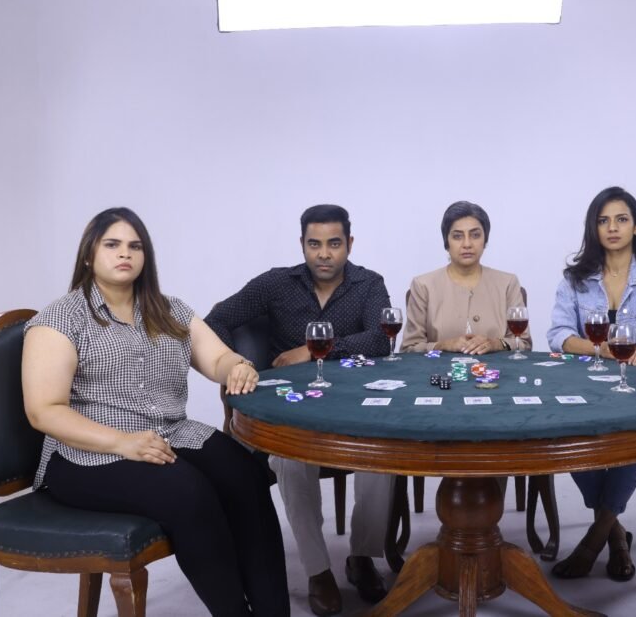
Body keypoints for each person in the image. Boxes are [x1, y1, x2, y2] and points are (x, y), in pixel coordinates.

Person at [22, 208, 289, 617]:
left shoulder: (169, 310)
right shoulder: (60, 319)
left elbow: (217, 358)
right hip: (87, 452)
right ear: (89, 255)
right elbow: (43, 411)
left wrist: (237, 366)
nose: (124, 254)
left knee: (246, 474)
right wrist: (122, 442)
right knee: (188, 492)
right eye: (112, 244)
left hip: (169, 432)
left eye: (135, 246)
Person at [205, 204, 393, 617]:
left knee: (384, 458)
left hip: (354, 408)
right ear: (302, 244)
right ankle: (318, 571)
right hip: (291, 412)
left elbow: (381, 340)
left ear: (349, 244)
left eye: (334, 243)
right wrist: (237, 364)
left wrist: (313, 350)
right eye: (314, 244)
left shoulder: (369, 284)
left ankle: (362, 557)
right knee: (289, 461)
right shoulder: (276, 284)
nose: (324, 254)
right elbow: (215, 320)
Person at [547, 186, 636, 582]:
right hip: (585, 387)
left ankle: (598, 537)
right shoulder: (575, 280)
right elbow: (558, 336)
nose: (612, 228)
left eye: (621, 219)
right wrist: (600, 349)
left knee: (634, 434)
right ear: (594, 228)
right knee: (568, 433)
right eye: (603, 220)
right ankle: (615, 531)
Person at [401, 200, 531, 355]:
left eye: (475, 235)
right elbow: (409, 348)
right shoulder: (423, 285)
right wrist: (442, 345)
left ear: (485, 240)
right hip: (439, 368)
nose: (467, 244)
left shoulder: (507, 283)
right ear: (446, 242)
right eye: (457, 236)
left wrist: (496, 343)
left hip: (497, 369)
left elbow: (523, 343)